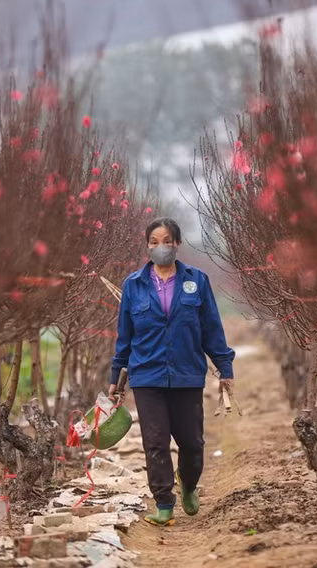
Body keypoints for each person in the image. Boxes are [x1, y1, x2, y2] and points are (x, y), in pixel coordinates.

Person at [108, 218, 235, 526]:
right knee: (155, 442)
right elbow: (124, 336)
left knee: (192, 444)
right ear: (147, 246)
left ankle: (189, 483)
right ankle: (164, 502)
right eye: (153, 241)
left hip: (187, 375)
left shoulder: (197, 281)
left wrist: (225, 368)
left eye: (166, 240)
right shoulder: (134, 285)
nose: (160, 247)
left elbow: (211, 328)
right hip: (147, 376)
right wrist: (116, 379)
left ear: (177, 244)